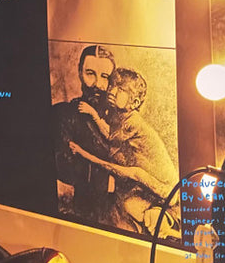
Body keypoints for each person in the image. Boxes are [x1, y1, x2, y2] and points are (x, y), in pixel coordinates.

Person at [70, 67, 179, 236]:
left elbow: (110, 136)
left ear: (134, 102)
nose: (112, 91)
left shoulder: (133, 122)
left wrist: (93, 115)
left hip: (164, 188)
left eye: (120, 89)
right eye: (112, 85)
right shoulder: (123, 117)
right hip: (150, 186)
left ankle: (167, 228)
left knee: (128, 201)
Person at [53, 45, 116, 221]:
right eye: (90, 74)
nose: (97, 84)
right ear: (80, 72)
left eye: (104, 76)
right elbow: (64, 169)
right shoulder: (64, 114)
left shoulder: (119, 119)